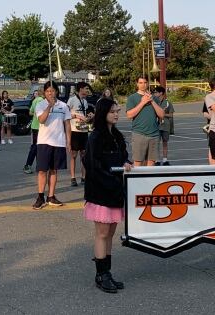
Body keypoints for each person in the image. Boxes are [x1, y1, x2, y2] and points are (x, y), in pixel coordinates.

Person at [83, 97, 132, 293]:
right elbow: (93, 165)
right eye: (112, 111)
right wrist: (110, 181)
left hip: (115, 190)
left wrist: (126, 163)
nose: (116, 114)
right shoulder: (95, 136)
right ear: (103, 113)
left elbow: (123, 156)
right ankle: (100, 275)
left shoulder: (117, 135)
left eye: (117, 111)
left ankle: (107, 272)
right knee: (102, 234)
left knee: (110, 234)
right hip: (101, 191)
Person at [32, 81, 72, 210]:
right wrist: (49, 107)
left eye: (53, 90)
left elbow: (67, 125)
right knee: (42, 170)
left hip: (59, 142)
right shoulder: (40, 104)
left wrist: (68, 142)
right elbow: (41, 120)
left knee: (54, 170)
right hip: (44, 142)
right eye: (48, 91)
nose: (50, 93)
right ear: (44, 92)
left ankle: (51, 196)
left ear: (56, 92)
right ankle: (40, 197)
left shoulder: (64, 106)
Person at [125, 76, 164, 166]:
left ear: (148, 83)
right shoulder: (132, 98)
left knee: (151, 162)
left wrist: (152, 101)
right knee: (138, 162)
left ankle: (149, 180)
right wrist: (142, 102)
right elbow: (129, 115)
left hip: (154, 134)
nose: (143, 85)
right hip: (139, 133)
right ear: (137, 84)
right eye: (141, 83)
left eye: (145, 82)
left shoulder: (154, 98)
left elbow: (161, 115)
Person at [67, 82, 95, 186]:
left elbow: (85, 116)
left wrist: (89, 117)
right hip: (74, 130)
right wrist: (76, 116)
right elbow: (66, 113)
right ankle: (73, 177)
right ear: (81, 89)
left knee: (84, 154)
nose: (87, 91)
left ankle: (83, 177)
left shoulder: (85, 101)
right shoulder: (72, 99)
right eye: (86, 88)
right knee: (73, 155)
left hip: (83, 129)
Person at [23, 90, 43, 174]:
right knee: (36, 147)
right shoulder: (41, 101)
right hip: (38, 127)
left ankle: (34, 166)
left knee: (36, 147)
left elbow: (30, 112)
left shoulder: (35, 100)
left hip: (36, 127)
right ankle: (28, 166)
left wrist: (35, 113)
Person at [155, 86, 174, 166]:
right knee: (156, 143)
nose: (155, 94)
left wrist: (163, 114)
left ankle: (165, 159)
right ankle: (157, 160)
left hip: (165, 125)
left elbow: (171, 115)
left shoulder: (167, 102)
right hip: (156, 125)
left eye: (156, 92)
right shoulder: (154, 102)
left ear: (161, 93)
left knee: (165, 143)